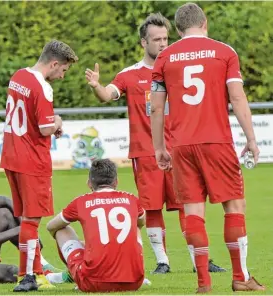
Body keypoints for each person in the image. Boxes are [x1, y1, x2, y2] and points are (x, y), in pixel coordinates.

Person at [85, 13, 224, 274]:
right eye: (156, 39)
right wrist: (96, 86)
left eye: (165, 38)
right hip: (146, 152)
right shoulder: (129, 75)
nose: (162, 44)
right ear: (143, 42)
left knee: (188, 202)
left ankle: (199, 260)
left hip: (179, 150)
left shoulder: (177, 67)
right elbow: (107, 95)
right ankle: (163, 261)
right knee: (151, 207)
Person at [150, 3, 265, 293]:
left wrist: (159, 147)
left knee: (193, 213)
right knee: (235, 207)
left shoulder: (164, 57)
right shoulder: (224, 52)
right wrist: (251, 138)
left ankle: (203, 284)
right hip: (217, 141)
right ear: (205, 23)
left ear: (177, 29)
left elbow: (155, 108)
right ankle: (240, 277)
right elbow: (237, 98)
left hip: (182, 145)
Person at [0, 39, 78, 292]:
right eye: (63, 70)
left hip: (11, 156)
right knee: (31, 221)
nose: (62, 76)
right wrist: (57, 121)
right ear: (54, 63)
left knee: (25, 219)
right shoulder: (42, 87)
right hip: (31, 161)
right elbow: (45, 128)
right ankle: (28, 276)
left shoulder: (18, 75)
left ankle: (35, 272)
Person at [46, 159, 145, 293]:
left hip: (93, 283)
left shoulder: (81, 202)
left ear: (89, 183)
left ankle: (73, 273)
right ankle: (130, 269)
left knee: (62, 230)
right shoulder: (132, 199)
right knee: (136, 228)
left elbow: (51, 226)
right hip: (134, 282)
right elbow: (141, 222)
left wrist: (84, 245)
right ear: (116, 182)